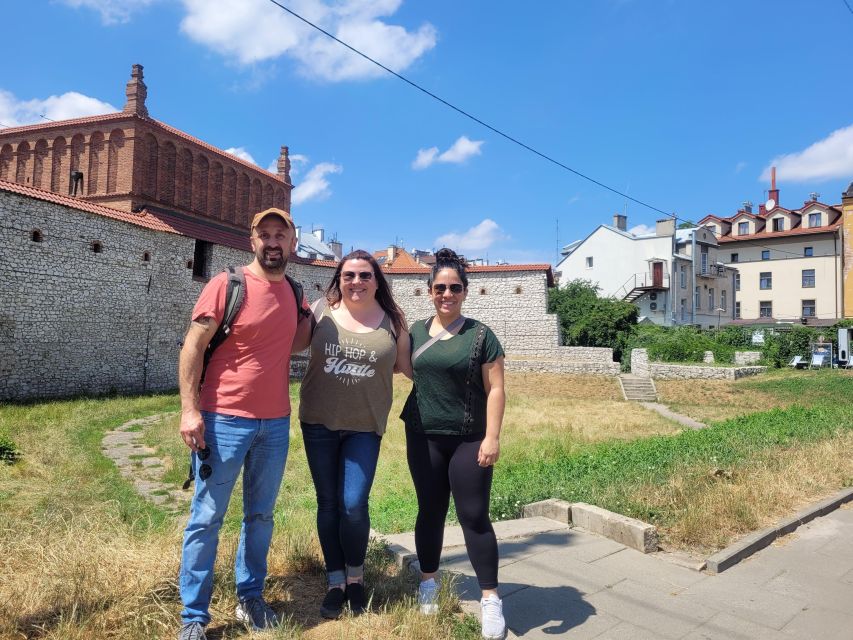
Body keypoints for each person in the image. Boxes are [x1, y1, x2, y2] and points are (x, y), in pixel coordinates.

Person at [176, 207, 310, 640]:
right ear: (251, 241)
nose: (273, 242)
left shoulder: (294, 290)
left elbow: (299, 340)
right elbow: (192, 346)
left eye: (281, 235)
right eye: (264, 234)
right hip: (223, 419)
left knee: (261, 516)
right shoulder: (226, 284)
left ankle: (250, 595)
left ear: (292, 243)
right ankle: (194, 618)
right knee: (206, 518)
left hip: (274, 424)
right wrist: (189, 410)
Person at [400, 248, 507, 640]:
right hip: (423, 435)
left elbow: (496, 389)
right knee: (429, 511)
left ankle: (491, 599)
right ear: (429, 291)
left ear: (465, 291)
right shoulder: (413, 331)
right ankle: (428, 581)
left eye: (455, 287)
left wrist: (492, 437)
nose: (447, 294)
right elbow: (403, 368)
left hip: (470, 438)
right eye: (440, 287)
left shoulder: (480, 335)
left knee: (474, 516)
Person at [299, 249, 411, 618]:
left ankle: (357, 578)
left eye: (365, 275)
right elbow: (288, 342)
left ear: (377, 281)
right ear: (339, 280)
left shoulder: (393, 320)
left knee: (353, 504)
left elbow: (408, 368)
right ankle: (335, 582)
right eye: (349, 275)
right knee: (328, 503)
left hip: (365, 426)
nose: (357, 282)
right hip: (318, 423)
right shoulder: (320, 312)